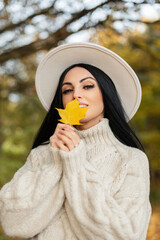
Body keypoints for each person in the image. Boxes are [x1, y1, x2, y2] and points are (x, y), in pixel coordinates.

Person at [0, 43, 151, 240]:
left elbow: (125, 236)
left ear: (106, 94)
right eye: (66, 90)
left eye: (87, 86)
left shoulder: (131, 160)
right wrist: (55, 164)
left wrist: (76, 166)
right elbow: (12, 224)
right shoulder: (41, 155)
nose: (75, 95)